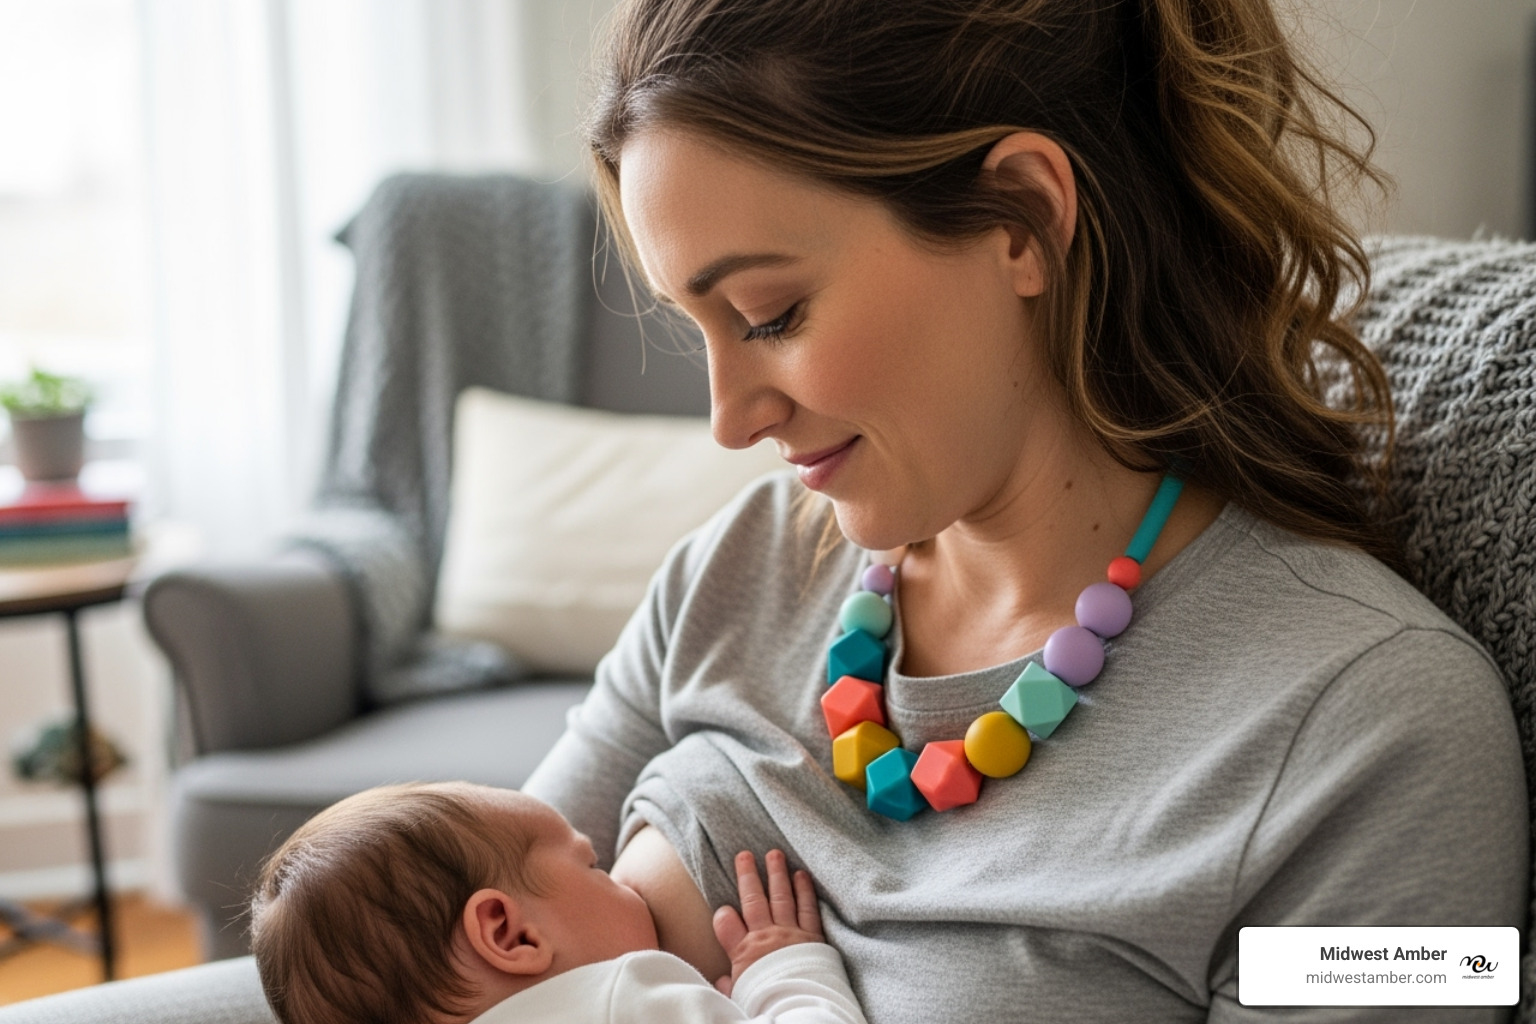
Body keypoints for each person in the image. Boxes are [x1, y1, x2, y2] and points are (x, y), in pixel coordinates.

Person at [520, 0, 1528, 1022]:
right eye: (693, 327)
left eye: (770, 315)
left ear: (1021, 218)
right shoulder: (741, 569)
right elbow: (445, 937)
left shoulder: (1374, 730)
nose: (729, 420)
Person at [247, 782, 870, 1024]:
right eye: (592, 867)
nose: (618, 875)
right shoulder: (619, 1000)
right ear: (510, 934)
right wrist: (783, 971)